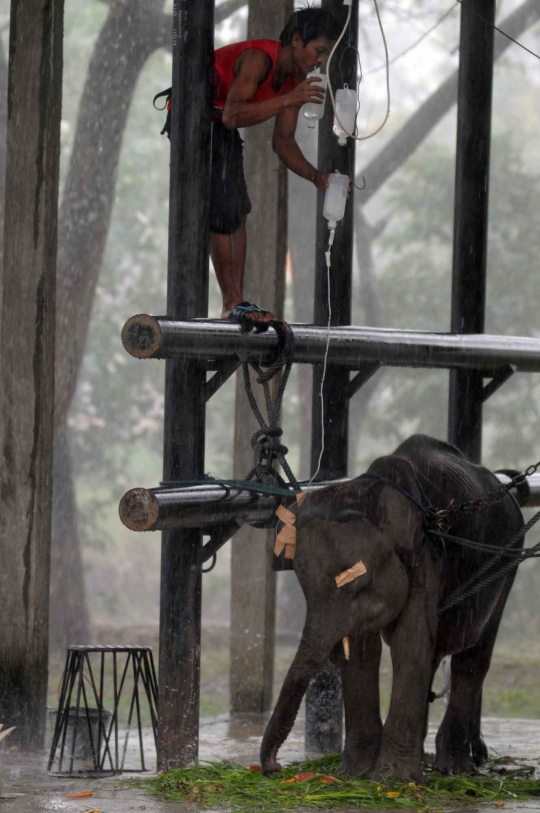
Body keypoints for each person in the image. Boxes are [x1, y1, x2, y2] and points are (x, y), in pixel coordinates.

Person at [158, 7, 341, 324]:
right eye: (319, 51)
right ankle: (232, 303)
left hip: (218, 123)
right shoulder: (260, 59)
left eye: (326, 55)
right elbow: (232, 115)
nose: (320, 62)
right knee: (224, 207)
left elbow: (282, 142)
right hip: (189, 114)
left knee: (236, 208)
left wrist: (316, 176)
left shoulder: (294, 81)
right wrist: (288, 99)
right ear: (296, 41)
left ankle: (234, 303)